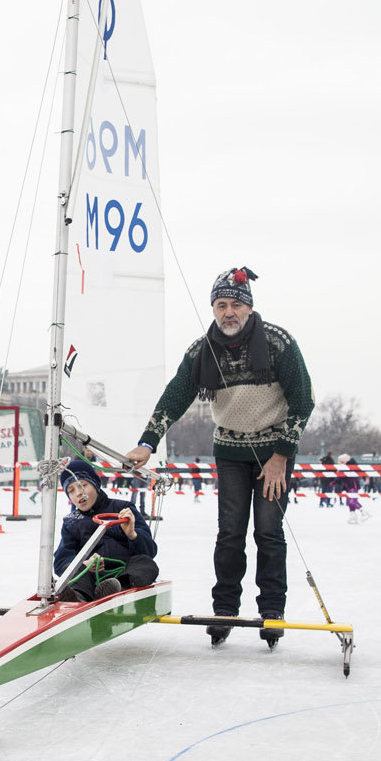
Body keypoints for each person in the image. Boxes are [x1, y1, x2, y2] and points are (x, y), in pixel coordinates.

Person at [127, 266, 314, 647]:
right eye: (220, 305)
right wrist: (147, 443)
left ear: (248, 308)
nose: (228, 312)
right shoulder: (203, 350)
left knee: (268, 531)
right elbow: (175, 396)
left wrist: (281, 455)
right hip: (230, 451)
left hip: (273, 453)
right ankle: (225, 609)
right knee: (230, 533)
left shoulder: (278, 343)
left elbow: (303, 400)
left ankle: (272, 611)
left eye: (235, 305)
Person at [52, 460, 158, 601]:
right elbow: (61, 560)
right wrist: (84, 564)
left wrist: (132, 535)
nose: (78, 493)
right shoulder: (71, 521)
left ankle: (118, 588)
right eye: (71, 491)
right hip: (89, 576)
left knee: (146, 563)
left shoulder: (123, 508)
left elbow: (149, 551)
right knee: (71, 568)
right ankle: (77, 596)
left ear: (95, 484)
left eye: (83, 486)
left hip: (124, 570)